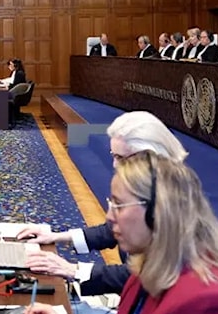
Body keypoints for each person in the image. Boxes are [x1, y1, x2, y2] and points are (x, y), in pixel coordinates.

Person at [23, 153, 218, 314]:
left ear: (159, 213)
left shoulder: (206, 304)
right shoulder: (150, 266)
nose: (110, 217)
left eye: (119, 205)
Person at [20, 112, 188, 295]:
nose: (115, 165)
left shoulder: (171, 203)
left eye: (122, 158)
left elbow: (143, 275)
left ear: (151, 156)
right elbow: (111, 231)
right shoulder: (150, 188)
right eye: (113, 156)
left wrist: (73, 270)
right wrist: (56, 237)